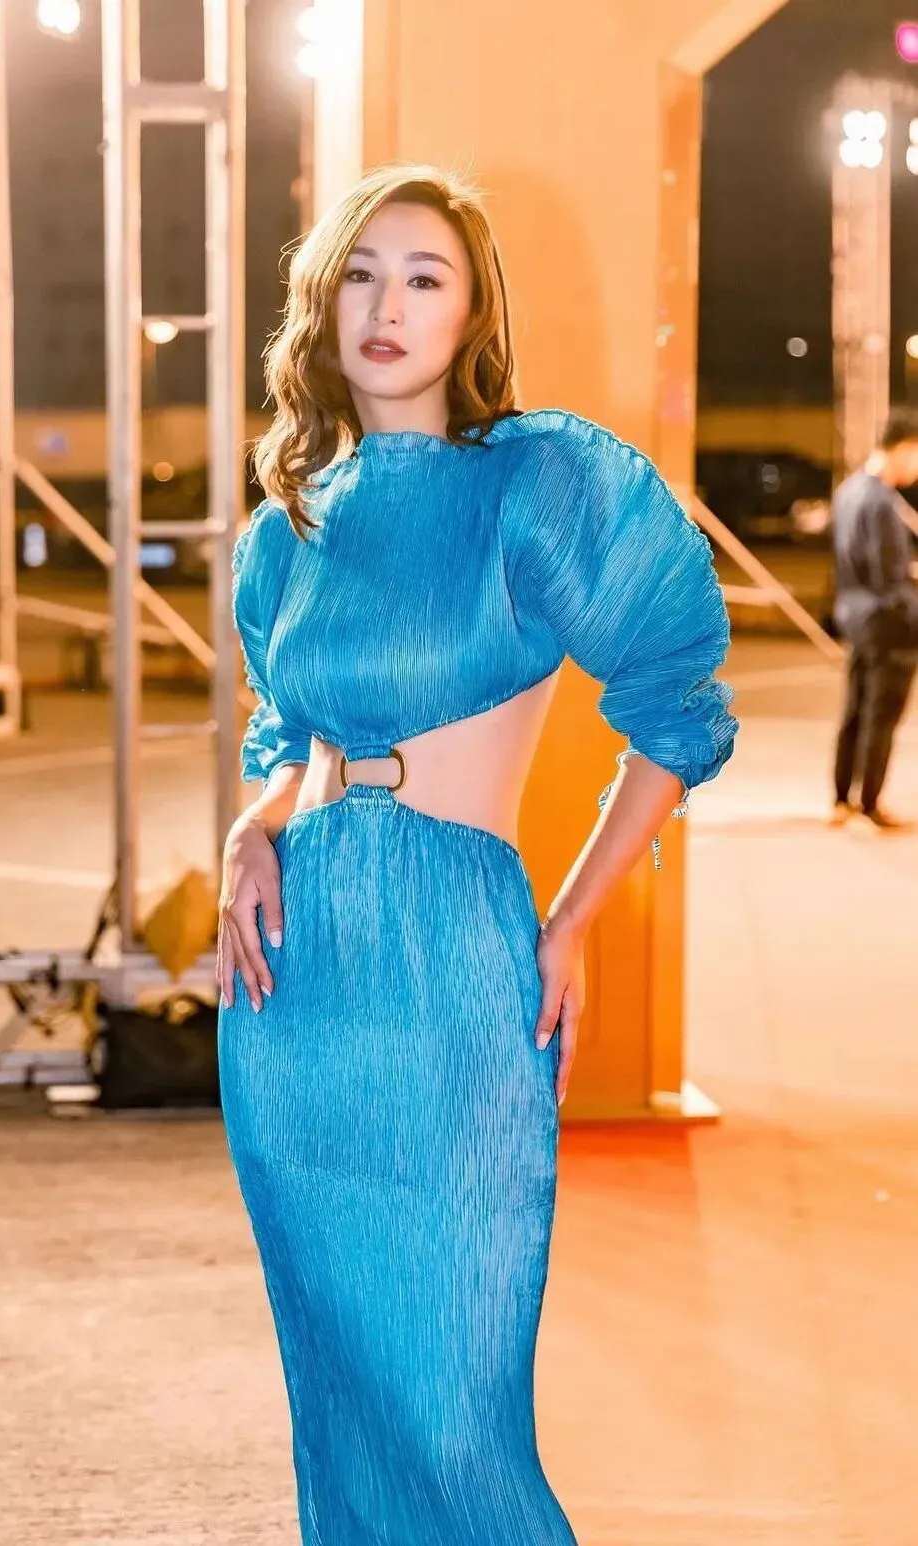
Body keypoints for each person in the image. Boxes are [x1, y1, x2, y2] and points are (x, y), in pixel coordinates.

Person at [215, 165, 737, 1545]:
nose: (385, 306)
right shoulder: (286, 530)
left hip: (453, 954)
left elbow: (674, 709)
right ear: (322, 304)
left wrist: (566, 921)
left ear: (468, 314)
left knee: (453, 1402)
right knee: (339, 1391)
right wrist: (252, 824)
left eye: (422, 277)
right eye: (359, 275)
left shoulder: (536, 486)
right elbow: (285, 732)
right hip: (294, 986)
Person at [831, 409, 918, 831]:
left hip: (855, 615)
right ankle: (870, 804)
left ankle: (841, 799)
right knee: (881, 716)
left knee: (854, 711)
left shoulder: (849, 490)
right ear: (903, 448)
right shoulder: (882, 502)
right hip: (889, 625)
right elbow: (890, 579)